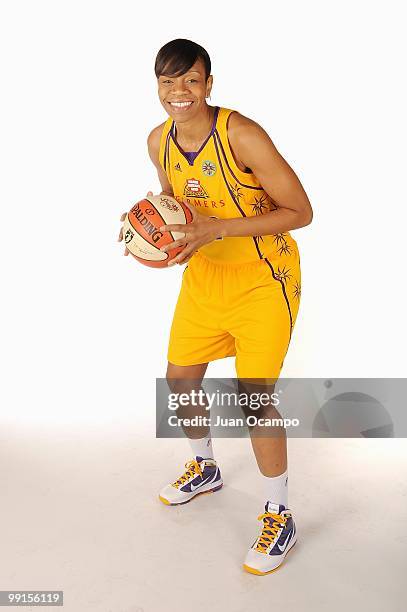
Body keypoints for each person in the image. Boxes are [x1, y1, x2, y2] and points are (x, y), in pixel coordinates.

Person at [119, 38, 313, 575]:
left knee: (254, 400)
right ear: (157, 87)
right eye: (167, 82)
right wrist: (160, 239)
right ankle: (204, 467)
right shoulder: (158, 141)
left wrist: (218, 229)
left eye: (190, 80)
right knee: (180, 381)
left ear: (209, 83)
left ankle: (279, 512)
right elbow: (175, 204)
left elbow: (301, 211)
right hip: (206, 273)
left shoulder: (243, 135)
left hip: (263, 277)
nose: (178, 92)